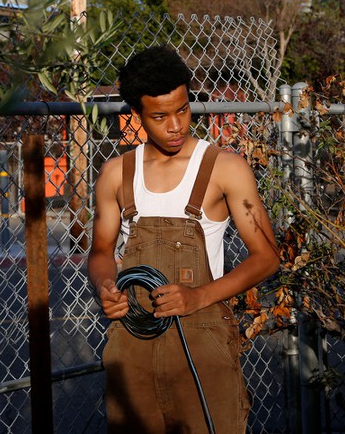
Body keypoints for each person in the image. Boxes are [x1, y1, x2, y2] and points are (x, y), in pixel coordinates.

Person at [88, 46, 280, 434]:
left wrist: (198, 296)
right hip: (133, 341)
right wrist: (105, 285)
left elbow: (267, 256)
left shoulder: (225, 167)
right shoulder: (116, 174)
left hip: (202, 345)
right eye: (160, 117)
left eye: (183, 109)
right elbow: (101, 252)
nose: (176, 125)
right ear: (137, 114)